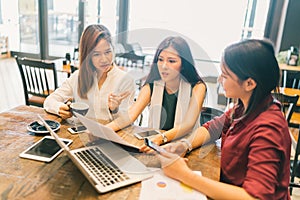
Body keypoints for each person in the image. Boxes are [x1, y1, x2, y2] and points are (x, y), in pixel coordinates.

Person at [158, 39, 291, 199]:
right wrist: (184, 144)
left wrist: (184, 175)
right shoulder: (244, 108)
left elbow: (255, 197)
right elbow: (211, 128)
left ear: (249, 83)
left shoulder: (269, 128)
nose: (220, 79)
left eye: (226, 75)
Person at [106, 36, 206, 149]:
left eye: (171, 61)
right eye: (160, 59)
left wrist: (161, 138)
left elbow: (188, 125)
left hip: (185, 147)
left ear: (183, 64)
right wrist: (103, 130)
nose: (164, 66)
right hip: (155, 147)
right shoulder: (151, 86)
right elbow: (130, 116)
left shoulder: (197, 87)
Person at [44, 24, 135, 120]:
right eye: (96, 54)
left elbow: (129, 122)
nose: (104, 59)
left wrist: (115, 110)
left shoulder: (126, 80)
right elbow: (49, 101)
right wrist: (59, 108)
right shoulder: (78, 77)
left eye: (108, 52)